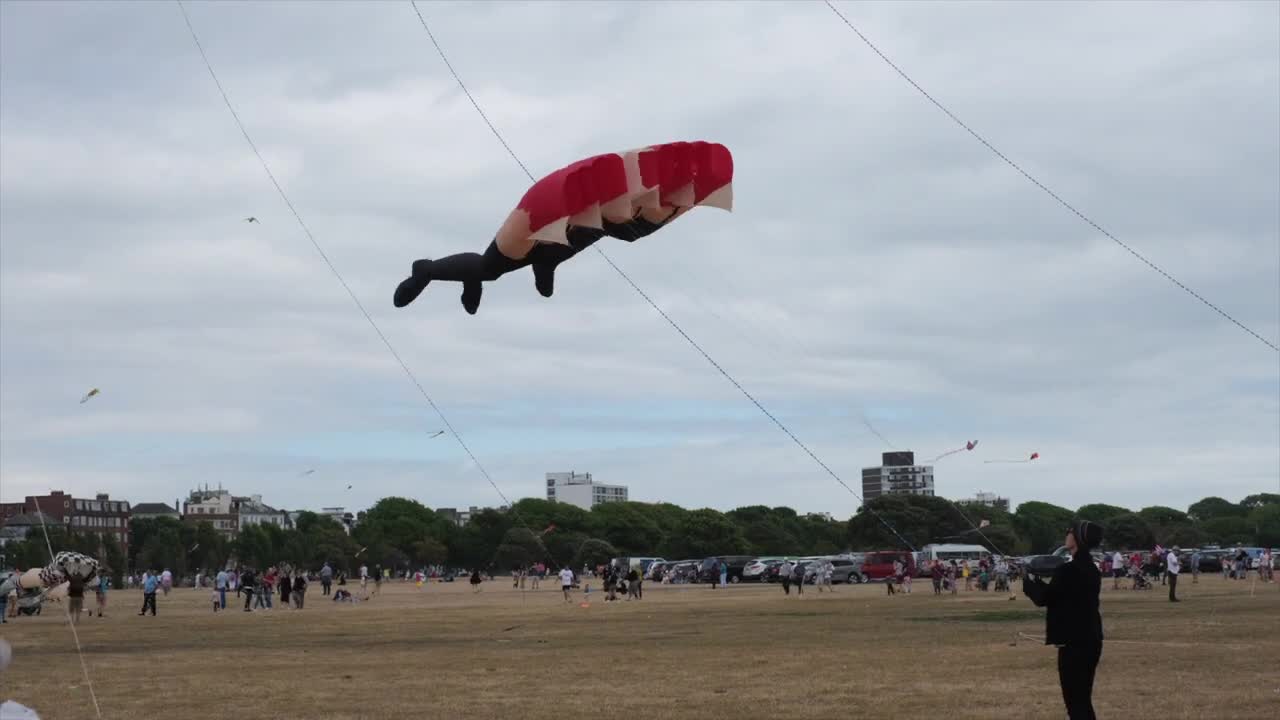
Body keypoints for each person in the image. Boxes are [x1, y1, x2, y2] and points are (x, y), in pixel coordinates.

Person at [1023, 521, 1104, 720]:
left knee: (1075, 703)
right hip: (1092, 640)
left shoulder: (1067, 570)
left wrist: (1028, 583)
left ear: (1077, 539)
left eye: (1070, 531)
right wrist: (1038, 582)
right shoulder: (1092, 570)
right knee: (1083, 700)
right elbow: (1060, 595)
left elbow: (1044, 599)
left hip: (1073, 643)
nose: (1066, 534)